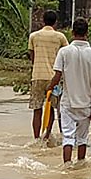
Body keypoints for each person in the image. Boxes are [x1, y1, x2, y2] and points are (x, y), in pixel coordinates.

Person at [49, 16, 91, 164]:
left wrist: (49, 88)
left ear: (72, 32)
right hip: (86, 104)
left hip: (67, 103)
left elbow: (57, 76)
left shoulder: (64, 52)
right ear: (87, 33)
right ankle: (80, 165)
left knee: (68, 137)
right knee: (82, 138)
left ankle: (67, 167)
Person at [28, 9, 67, 142]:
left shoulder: (33, 36)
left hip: (37, 77)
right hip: (54, 79)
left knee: (37, 109)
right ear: (55, 22)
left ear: (42, 21)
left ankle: (36, 138)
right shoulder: (60, 37)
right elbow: (65, 56)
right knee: (53, 108)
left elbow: (32, 57)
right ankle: (47, 136)